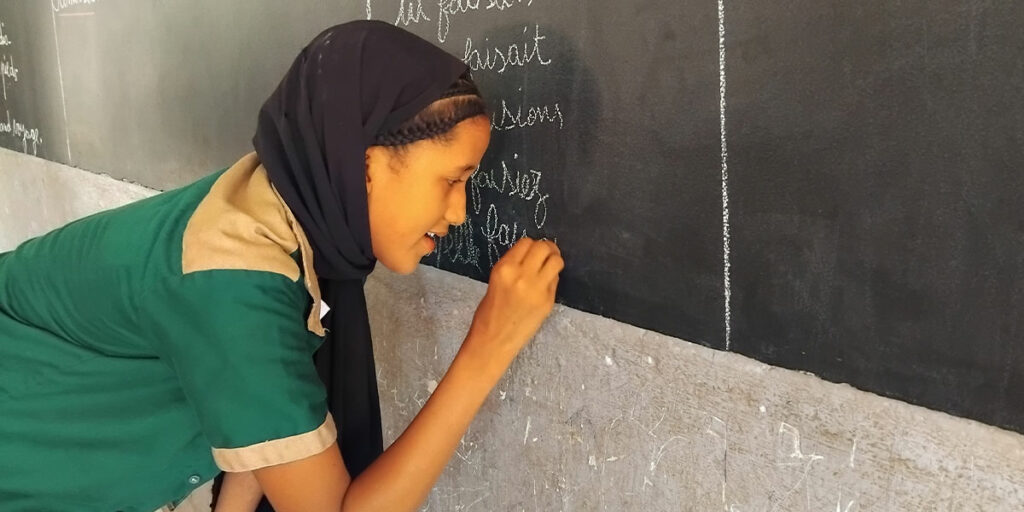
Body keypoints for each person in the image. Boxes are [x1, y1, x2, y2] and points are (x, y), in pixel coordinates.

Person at [0, 20, 563, 512]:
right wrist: (489, 344)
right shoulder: (236, 281)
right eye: (453, 179)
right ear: (366, 164)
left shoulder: (282, 210)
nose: (460, 212)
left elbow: (261, 419)